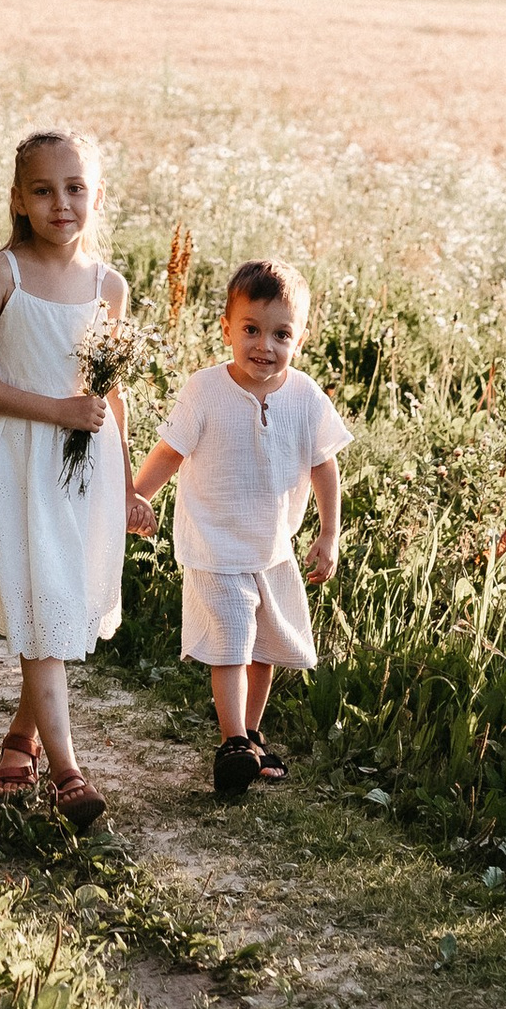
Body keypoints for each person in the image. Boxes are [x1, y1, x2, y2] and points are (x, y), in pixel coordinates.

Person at [0, 127, 135, 831]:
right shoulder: (5, 273)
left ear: (97, 196)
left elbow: (110, 392)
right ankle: (68, 772)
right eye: (45, 190)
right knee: (42, 607)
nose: (62, 203)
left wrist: (130, 483)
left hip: (85, 474)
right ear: (19, 200)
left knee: (59, 607)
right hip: (18, 464)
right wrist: (54, 410)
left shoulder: (108, 285)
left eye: (76, 188)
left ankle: (20, 741)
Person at [131, 254, 344, 800]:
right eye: (250, 329)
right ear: (226, 327)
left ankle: (251, 735)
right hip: (214, 545)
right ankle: (232, 746)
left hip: (273, 549)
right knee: (231, 640)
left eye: (280, 334)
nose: (263, 346)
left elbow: (324, 465)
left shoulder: (305, 397)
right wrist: (136, 495)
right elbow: (170, 452)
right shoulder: (206, 391)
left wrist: (328, 533)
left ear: (300, 338)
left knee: (264, 647)